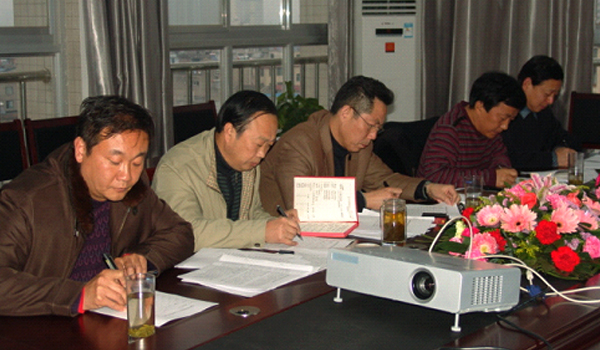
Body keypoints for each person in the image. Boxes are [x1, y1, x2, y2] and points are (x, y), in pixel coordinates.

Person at [0, 95, 194, 317]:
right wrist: (79, 295)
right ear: (81, 150)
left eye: (137, 162)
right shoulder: (26, 200)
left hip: (104, 318)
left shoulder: (133, 187)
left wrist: (142, 258)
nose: (126, 175)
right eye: (115, 161)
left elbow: (180, 232)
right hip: (39, 325)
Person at [259, 75, 459, 215]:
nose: (373, 136)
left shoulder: (360, 147)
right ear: (346, 113)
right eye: (371, 125)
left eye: (378, 129)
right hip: (279, 241)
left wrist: (428, 189)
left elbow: (385, 180)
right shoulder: (299, 144)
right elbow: (302, 206)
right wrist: (364, 201)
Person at [152, 90, 300, 251]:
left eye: (269, 145)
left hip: (229, 258)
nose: (262, 154)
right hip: (186, 262)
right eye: (258, 144)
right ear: (230, 132)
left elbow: (251, 213)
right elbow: (186, 233)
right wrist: (262, 231)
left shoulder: (248, 163)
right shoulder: (177, 167)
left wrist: (278, 224)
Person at [417, 72, 526, 189]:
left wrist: (503, 171)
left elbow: (499, 156)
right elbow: (434, 176)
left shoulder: (490, 129)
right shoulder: (450, 128)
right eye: (503, 118)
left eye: (511, 119)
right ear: (480, 107)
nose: (505, 126)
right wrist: (490, 178)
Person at [502, 55, 581, 171]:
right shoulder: (505, 112)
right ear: (527, 84)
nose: (551, 101)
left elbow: (568, 139)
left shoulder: (543, 113)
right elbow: (511, 158)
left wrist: (561, 148)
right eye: (547, 94)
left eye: (555, 95)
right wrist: (553, 159)